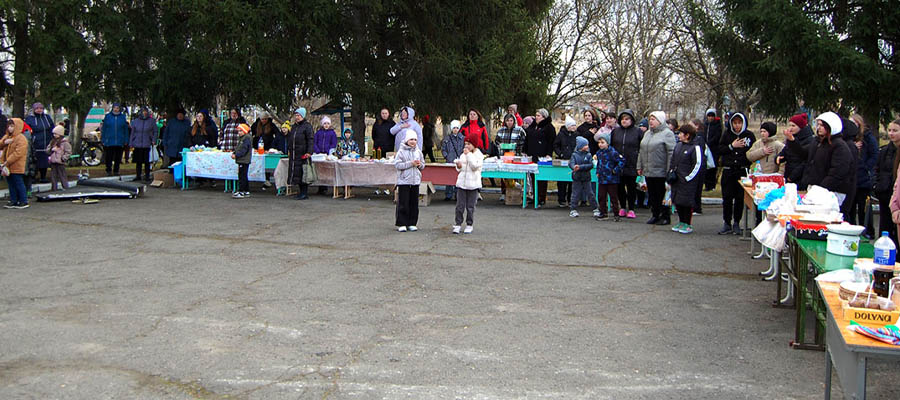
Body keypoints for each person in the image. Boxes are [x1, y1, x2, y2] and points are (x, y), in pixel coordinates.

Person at [788, 112, 854, 213]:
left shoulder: (839, 146)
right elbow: (804, 154)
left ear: (831, 126)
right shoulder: (817, 141)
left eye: (822, 125)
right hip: (815, 190)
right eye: (817, 124)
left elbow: (837, 172)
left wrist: (821, 189)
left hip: (831, 192)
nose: (818, 128)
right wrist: (792, 141)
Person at [716, 112, 755, 235]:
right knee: (727, 198)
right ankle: (727, 223)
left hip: (742, 170)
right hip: (728, 170)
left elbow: (753, 151)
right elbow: (720, 149)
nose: (737, 125)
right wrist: (732, 146)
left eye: (739, 123)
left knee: (739, 198)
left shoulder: (749, 135)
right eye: (735, 123)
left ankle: (737, 222)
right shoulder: (727, 134)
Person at [637, 111, 676, 225]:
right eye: (650, 119)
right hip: (648, 169)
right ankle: (655, 214)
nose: (651, 121)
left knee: (661, 194)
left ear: (660, 121)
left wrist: (669, 170)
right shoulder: (647, 133)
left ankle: (665, 216)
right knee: (652, 194)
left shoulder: (667, 133)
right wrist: (639, 166)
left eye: (653, 119)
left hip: (661, 170)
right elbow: (641, 151)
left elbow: (671, 153)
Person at [670, 124, 705, 234]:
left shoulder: (695, 148)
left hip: (688, 181)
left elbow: (697, 165)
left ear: (687, 135)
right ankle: (681, 221)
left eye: (681, 133)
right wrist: (671, 172)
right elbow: (673, 160)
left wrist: (688, 177)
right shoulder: (678, 146)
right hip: (677, 179)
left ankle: (687, 223)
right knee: (678, 201)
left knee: (686, 202)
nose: (679, 135)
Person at [848, 114, 878, 236]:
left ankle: (867, 231)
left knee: (864, 208)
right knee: (851, 207)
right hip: (852, 178)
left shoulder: (868, 137)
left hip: (864, 179)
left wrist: (866, 167)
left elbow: (874, 154)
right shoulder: (849, 138)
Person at [610, 109, 643, 219]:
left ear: (632, 120)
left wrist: (640, 163)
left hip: (632, 163)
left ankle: (632, 208)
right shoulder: (615, 131)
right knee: (619, 187)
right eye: (622, 119)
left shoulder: (638, 132)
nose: (624, 121)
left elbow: (641, 147)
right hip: (618, 164)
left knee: (631, 187)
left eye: (627, 119)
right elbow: (611, 146)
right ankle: (623, 207)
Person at [525, 109, 556, 206]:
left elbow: (551, 142)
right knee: (532, 176)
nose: (536, 117)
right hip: (532, 154)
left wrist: (549, 154)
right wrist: (525, 151)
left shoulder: (549, 127)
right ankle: (535, 196)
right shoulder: (533, 126)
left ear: (544, 117)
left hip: (542, 155)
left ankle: (541, 197)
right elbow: (527, 138)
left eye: (538, 115)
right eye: (536, 115)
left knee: (542, 177)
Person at [395, 130, 425, 232]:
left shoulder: (418, 151)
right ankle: (402, 223)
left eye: (415, 140)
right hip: (404, 181)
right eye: (411, 139)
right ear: (407, 140)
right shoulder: (401, 151)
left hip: (415, 181)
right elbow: (398, 165)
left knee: (414, 203)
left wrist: (419, 164)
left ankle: (412, 223)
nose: (413, 142)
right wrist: (410, 163)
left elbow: (423, 165)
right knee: (403, 203)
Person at [452, 139, 483, 234]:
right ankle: (458, 224)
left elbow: (474, 167)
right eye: (465, 144)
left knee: (470, 206)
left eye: (469, 144)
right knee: (459, 206)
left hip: (473, 184)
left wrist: (469, 155)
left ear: (474, 145)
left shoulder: (478, 155)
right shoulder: (463, 154)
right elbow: (460, 169)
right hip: (462, 183)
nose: (466, 146)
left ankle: (469, 224)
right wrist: (458, 165)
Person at [777, 113, 815, 190]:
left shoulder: (810, 140)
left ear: (801, 126)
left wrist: (792, 176)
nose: (790, 128)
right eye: (789, 125)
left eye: (793, 126)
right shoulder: (791, 138)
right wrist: (779, 157)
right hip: (789, 174)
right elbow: (785, 151)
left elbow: (806, 160)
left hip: (801, 178)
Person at [494, 113, 527, 202]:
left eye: (511, 120)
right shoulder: (501, 130)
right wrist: (500, 146)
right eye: (507, 121)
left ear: (514, 121)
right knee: (503, 175)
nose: (509, 122)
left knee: (515, 174)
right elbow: (497, 141)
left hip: (515, 155)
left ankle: (516, 192)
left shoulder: (519, 130)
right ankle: (504, 193)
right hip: (503, 156)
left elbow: (523, 142)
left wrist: (517, 147)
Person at [878, 119, 900, 246]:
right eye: (890, 130)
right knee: (885, 226)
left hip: (896, 194)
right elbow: (878, 168)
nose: (891, 133)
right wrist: (877, 185)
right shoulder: (885, 151)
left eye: (895, 131)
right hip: (885, 193)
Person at [568, 136, 600, 218]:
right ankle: (573, 209)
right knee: (575, 194)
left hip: (586, 178)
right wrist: (574, 167)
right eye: (585, 145)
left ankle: (595, 208)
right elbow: (571, 163)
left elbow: (591, 165)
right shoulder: (574, 155)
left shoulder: (588, 155)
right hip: (577, 178)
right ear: (580, 146)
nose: (587, 146)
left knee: (590, 193)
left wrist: (580, 167)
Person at [1, 119, 29, 208]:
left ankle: (23, 200)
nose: (10, 128)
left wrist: (7, 161)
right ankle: (13, 200)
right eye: (9, 126)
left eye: (12, 126)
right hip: (7, 165)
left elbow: (18, 153)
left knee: (18, 183)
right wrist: (4, 142)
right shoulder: (7, 137)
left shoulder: (21, 138)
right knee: (11, 184)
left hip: (17, 165)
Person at [595, 136, 625, 221]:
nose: (600, 144)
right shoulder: (599, 153)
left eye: (602, 142)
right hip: (602, 178)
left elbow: (622, 161)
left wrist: (615, 170)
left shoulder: (613, 152)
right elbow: (599, 164)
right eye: (599, 143)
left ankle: (616, 214)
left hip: (612, 179)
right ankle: (603, 213)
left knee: (613, 197)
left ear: (607, 143)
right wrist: (598, 171)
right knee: (601, 196)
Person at [288, 108, 314, 200]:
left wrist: (309, 152)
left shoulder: (307, 126)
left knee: (304, 173)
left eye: (299, 115)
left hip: (303, 153)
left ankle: (304, 193)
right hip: (294, 153)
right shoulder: (294, 127)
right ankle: (301, 192)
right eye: (296, 115)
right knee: (297, 174)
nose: (297, 117)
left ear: (303, 116)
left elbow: (310, 139)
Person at [24, 102, 54, 183]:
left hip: (46, 143)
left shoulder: (47, 118)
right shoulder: (30, 119)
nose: (39, 110)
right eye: (37, 108)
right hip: (35, 143)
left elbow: (52, 128)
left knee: (44, 161)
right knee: (34, 161)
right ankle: (33, 177)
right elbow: (26, 129)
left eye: (41, 108)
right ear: (34, 109)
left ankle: (43, 177)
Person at [554, 115, 579, 208]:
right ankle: (561, 199)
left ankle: (571, 199)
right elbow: (556, 145)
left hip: (573, 160)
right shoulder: (561, 134)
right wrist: (560, 153)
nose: (574, 127)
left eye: (574, 125)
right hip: (563, 160)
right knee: (561, 181)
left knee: (572, 181)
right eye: (572, 125)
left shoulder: (577, 135)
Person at [100, 103, 129, 176]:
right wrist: (103, 139)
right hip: (109, 140)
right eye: (115, 108)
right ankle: (108, 170)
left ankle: (116, 170)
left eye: (117, 108)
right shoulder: (108, 117)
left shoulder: (122, 117)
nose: (116, 109)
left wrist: (126, 140)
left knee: (118, 157)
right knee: (109, 156)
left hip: (120, 140)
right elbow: (104, 129)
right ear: (112, 108)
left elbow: (125, 129)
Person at [130, 107, 157, 182]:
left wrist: (154, 140)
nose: (144, 113)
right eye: (143, 111)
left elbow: (155, 131)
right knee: (138, 161)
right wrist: (131, 142)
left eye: (146, 111)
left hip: (147, 143)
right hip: (137, 144)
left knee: (147, 161)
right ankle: (138, 175)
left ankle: (147, 176)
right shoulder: (135, 121)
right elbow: (132, 133)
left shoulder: (151, 121)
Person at [313, 116, 338, 194]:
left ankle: (325, 187)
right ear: (322, 124)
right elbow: (314, 142)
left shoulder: (332, 133)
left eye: (328, 123)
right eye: (325, 123)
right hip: (319, 154)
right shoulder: (318, 133)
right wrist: (317, 151)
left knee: (326, 171)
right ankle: (320, 187)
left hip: (327, 154)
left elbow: (333, 144)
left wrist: (329, 151)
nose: (326, 125)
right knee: (319, 171)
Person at [441, 120, 465, 201]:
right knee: (449, 178)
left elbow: (464, 148)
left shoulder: (462, 138)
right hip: (450, 161)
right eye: (454, 128)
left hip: (459, 161)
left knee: (458, 179)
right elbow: (443, 149)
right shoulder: (447, 138)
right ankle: (448, 194)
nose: (455, 129)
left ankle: (457, 195)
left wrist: (462, 157)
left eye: (457, 128)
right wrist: (446, 156)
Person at [702, 108, 722, 191]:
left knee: (713, 167)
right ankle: (707, 185)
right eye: (709, 116)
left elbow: (717, 136)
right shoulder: (705, 125)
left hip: (714, 149)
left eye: (712, 116)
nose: (710, 117)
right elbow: (703, 134)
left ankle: (712, 185)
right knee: (706, 167)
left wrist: (710, 142)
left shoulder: (717, 125)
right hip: (706, 148)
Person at [47, 125, 71, 191]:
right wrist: (51, 150)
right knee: (53, 176)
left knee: (62, 175)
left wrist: (63, 158)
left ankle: (65, 187)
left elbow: (68, 152)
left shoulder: (65, 143)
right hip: (53, 161)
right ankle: (54, 188)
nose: (54, 135)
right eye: (54, 134)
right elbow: (47, 150)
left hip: (60, 162)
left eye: (56, 134)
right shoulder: (52, 142)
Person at [231, 123, 253, 199]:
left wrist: (236, 155)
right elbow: (239, 147)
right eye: (238, 131)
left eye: (241, 131)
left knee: (242, 176)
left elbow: (243, 149)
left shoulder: (246, 139)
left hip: (244, 160)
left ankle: (241, 191)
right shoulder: (243, 138)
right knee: (243, 175)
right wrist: (235, 152)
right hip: (243, 160)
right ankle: (246, 190)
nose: (239, 132)